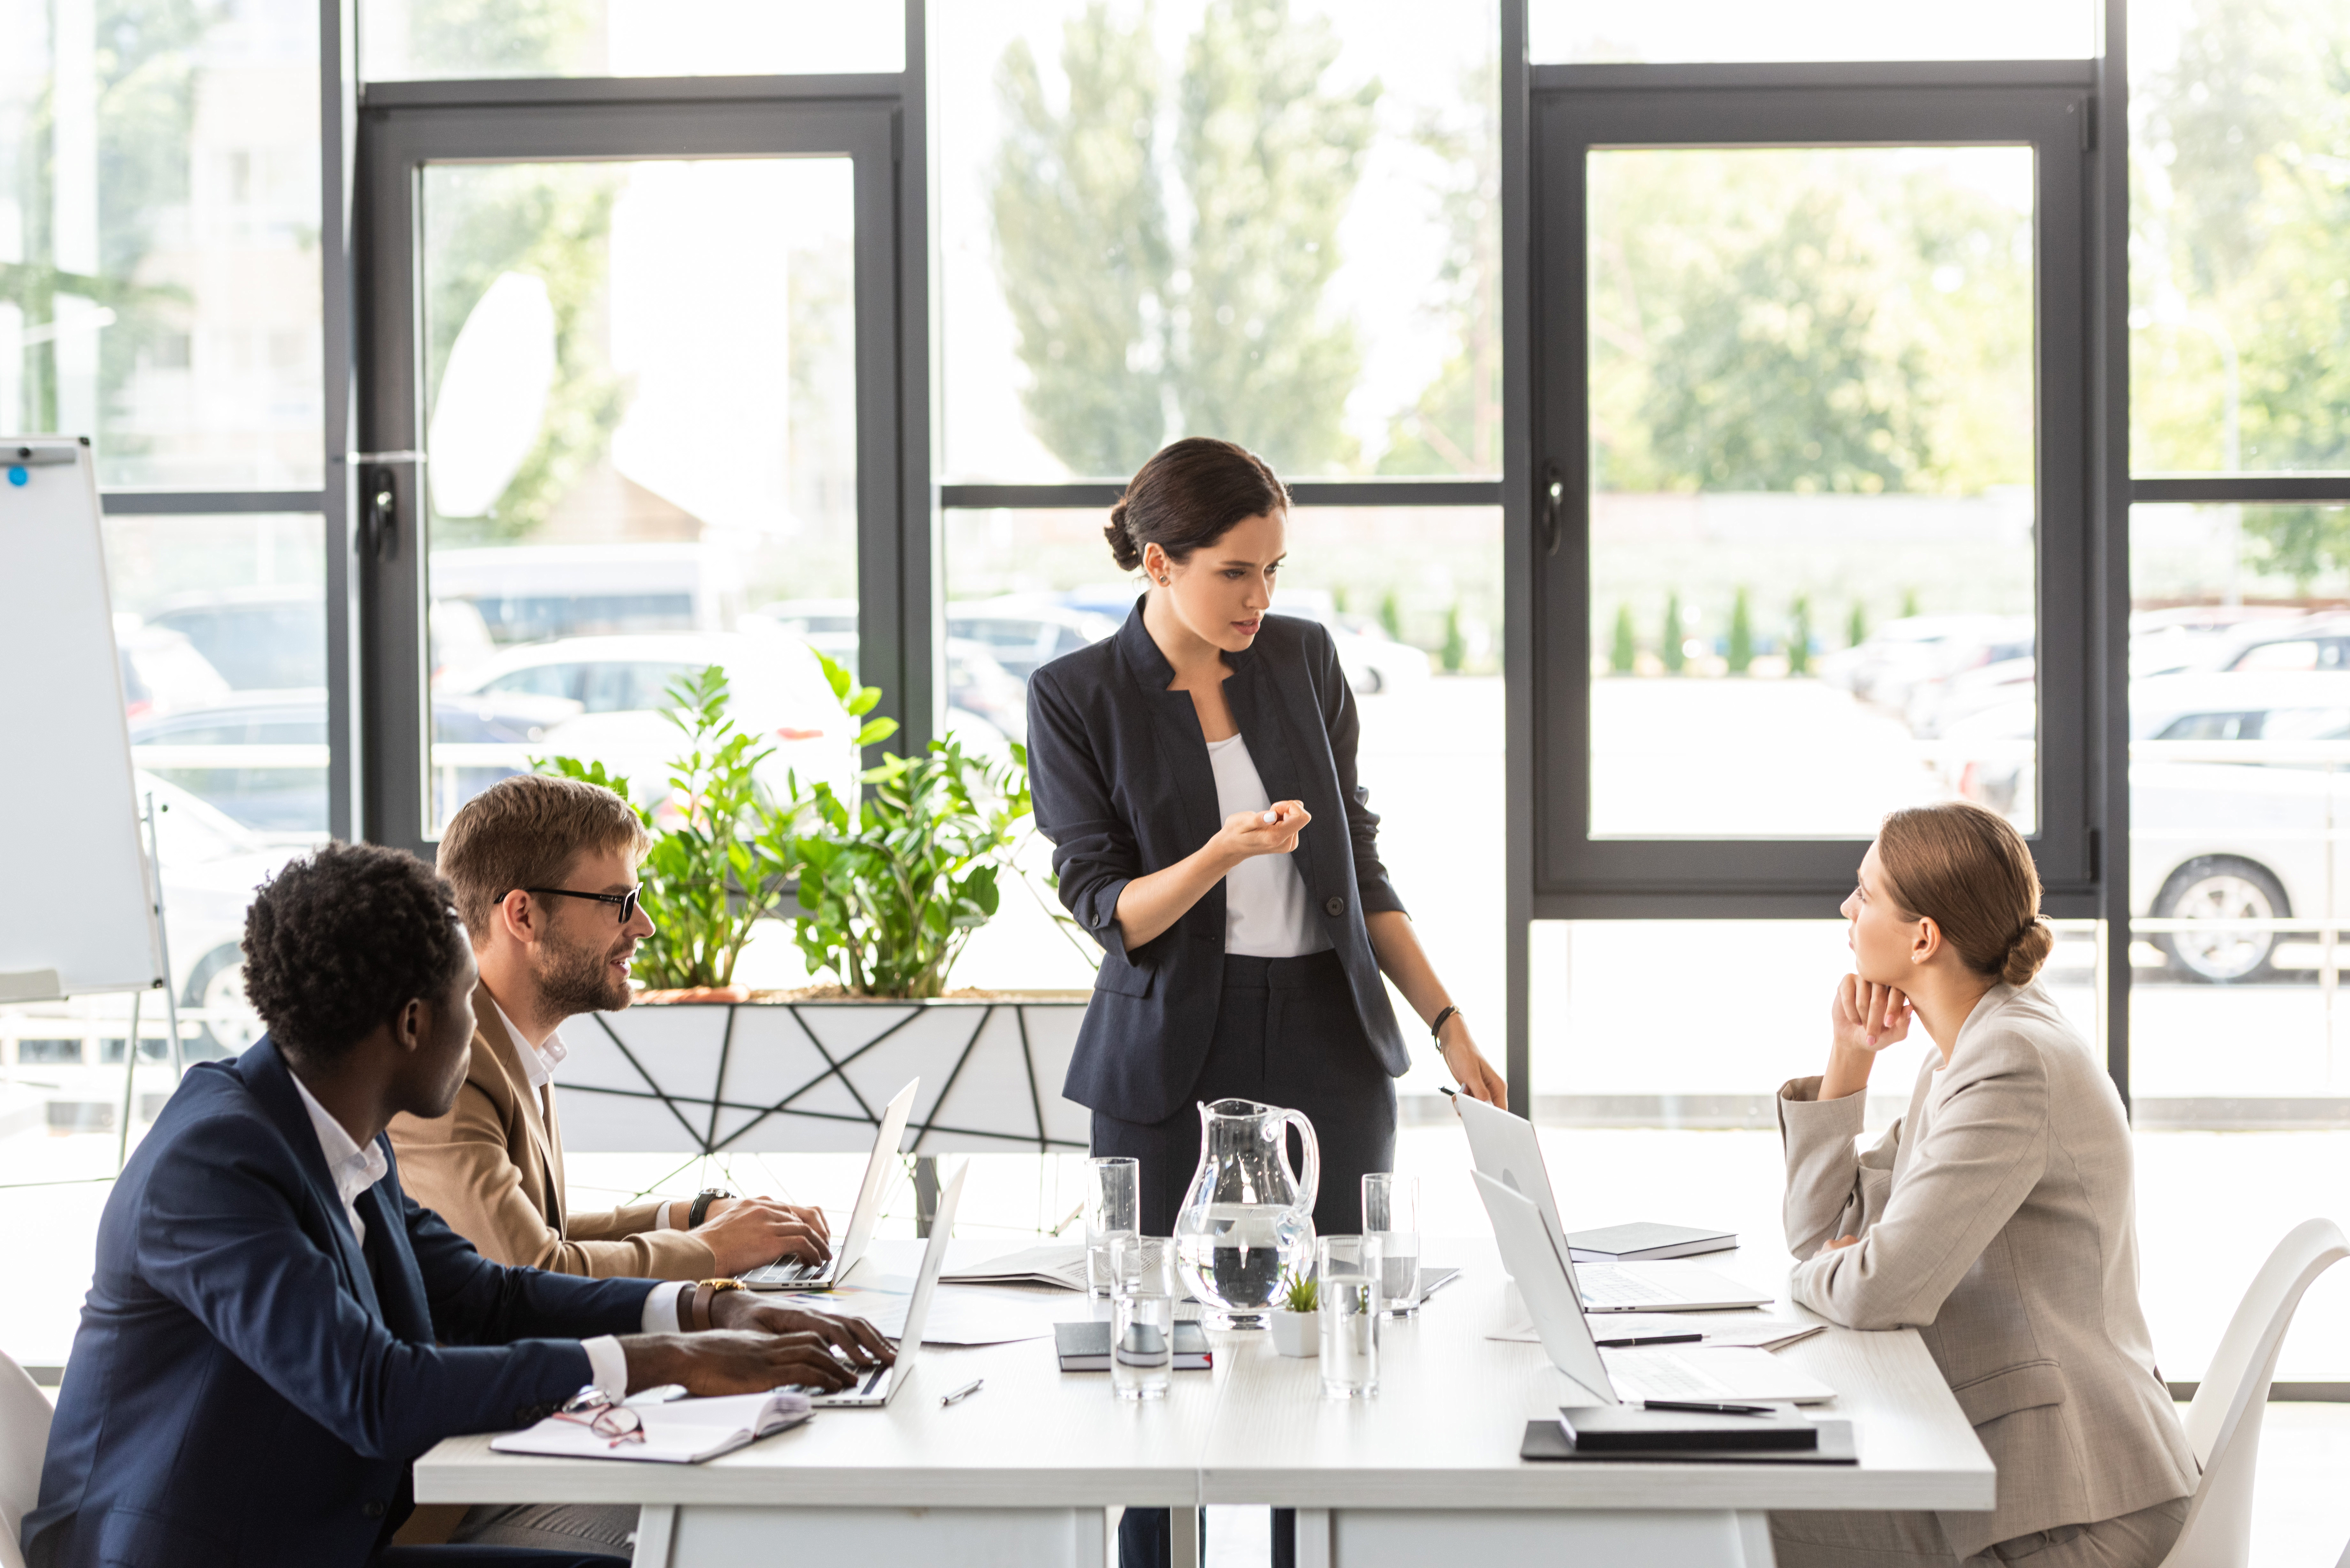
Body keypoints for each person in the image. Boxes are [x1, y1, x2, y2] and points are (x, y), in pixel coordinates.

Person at [22, 842, 892, 1568]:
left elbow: (486, 1294)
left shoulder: (340, 1128)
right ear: (412, 1023)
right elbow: (376, 1390)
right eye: (465, 1003)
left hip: (302, 1539)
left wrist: (708, 1308)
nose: (479, 1029)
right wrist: (667, 1360)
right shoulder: (214, 1164)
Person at [1025, 436, 1507, 1568]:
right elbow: (1106, 907)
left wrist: (1448, 1023)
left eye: (1275, 570)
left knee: (1335, 1346)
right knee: (1156, 1356)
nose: (1260, 597)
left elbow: (1359, 867)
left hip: (1328, 1038)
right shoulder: (1077, 694)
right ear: (1160, 562)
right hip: (1166, 1055)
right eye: (1236, 572)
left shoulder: (1302, 658)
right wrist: (1221, 853)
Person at [1769, 802, 2197, 1568]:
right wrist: (1849, 1056)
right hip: (2017, 1469)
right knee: (1733, 1517)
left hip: (2078, 1505)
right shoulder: (1964, 1050)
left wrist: (1814, 1275)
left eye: (1864, 892)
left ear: (1922, 938)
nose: (1845, 908)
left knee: (1735, 1524)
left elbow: (1875, 1288)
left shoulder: (2010, 1062)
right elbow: (1821, 1233)